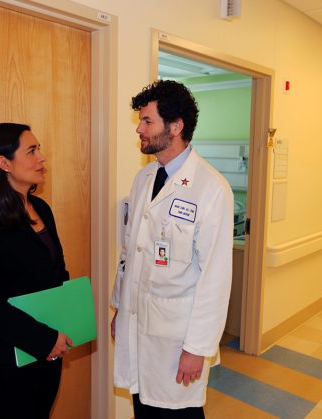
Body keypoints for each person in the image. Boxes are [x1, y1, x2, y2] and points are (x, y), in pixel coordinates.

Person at [111, 80, 234, 417]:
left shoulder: (211, 189)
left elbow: (215, 278)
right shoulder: (144, 180)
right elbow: (130, 252)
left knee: (177, 412)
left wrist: (198, 348)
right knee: (144, 409)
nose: (139, 128)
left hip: (178, 341)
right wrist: (121, 307)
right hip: (138, 328)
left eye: (147, 121)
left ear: (176, 126)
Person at [0, 123, 71, 419]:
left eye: (39, 149)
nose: (41, 158)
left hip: (51, 349)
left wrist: (66, 326)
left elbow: (57, 273)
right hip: (11, 357)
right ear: (3, 163)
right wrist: (44, 339)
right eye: (31, 151)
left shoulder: (42, 208)